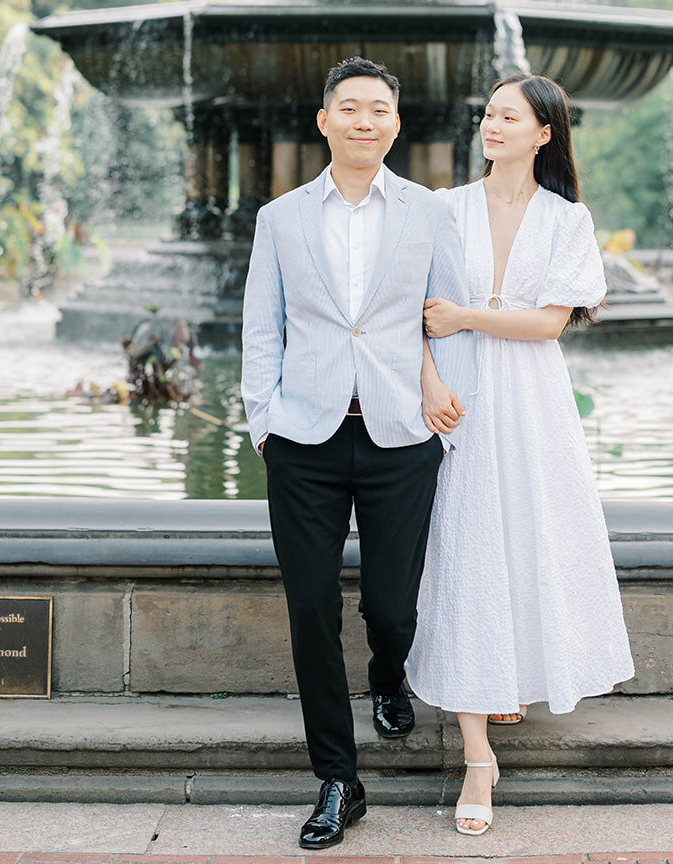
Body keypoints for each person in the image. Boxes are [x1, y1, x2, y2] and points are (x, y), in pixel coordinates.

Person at [241, 56, 474, 850]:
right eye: (350, 108)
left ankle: (387, 674)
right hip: (302, 438)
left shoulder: (426, 214)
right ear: (325, 121)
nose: (364, 120)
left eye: (378, 109)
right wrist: (263, 424)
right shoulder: (280, 218)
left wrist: (442, 414)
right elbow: (258, 328)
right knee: (310, 608)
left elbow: (444, 320)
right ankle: (338, 778)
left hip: (400, 437)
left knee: (391, 606)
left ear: (395, 124)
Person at [406, 71, 635, 837]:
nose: (490, 125)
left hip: (532, 405)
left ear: (544, 133)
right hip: (459, 399)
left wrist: (469, 314)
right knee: (466, 553)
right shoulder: (444, 209)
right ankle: (478, 757)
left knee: (528, 540)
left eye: (508, 116)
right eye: (488, 114)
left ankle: (508, 678)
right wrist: (429, 381)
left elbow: (546, 325)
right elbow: (408, 313)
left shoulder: (565, 219)